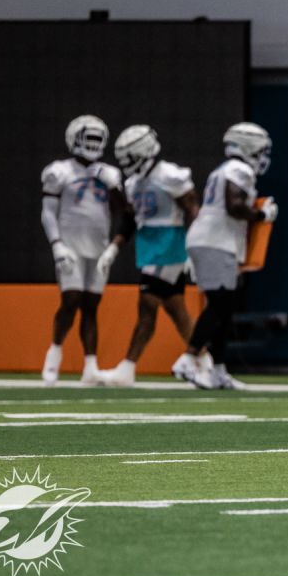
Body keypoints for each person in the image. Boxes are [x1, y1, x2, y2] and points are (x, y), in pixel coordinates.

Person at [175, 122, 278, 391]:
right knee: (221, 305)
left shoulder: (224, 170)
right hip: (215, 241)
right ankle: (189, 358)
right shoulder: (239, 169)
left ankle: (218, 371)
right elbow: (234, 206)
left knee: (224, 307)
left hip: (211, 240)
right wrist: (262, 215)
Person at [96, 126, 200, 388]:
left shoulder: (170, 176)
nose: (127, 165)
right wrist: (113, 248)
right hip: (148, 247)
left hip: (169, 246)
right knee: (177, 312)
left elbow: (193, 210)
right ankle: (205, 361)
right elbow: (130, 219)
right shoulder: (133, 183)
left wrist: (194, 247)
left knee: (147, 306)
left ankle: (127, 367)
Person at [39, 115, 129, 386]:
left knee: (91, 307)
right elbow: (47, 213)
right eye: (88, 138)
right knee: (71, 300)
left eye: (97, 139)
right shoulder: (59, 171)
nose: (93, 144)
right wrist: (56, 245)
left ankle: (91, 366)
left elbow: (122, 211)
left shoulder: (109, 173)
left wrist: (112, 186)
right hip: (70, 247)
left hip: (98, 248)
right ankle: (54, 354)